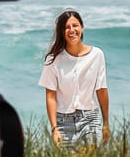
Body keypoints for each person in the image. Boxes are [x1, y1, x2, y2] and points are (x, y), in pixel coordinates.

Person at [37, 9, 110, 147]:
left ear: (82, 27)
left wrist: (106, 123)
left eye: (75, 25)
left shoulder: (97, 55)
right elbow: (50, 96)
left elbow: (101, 90)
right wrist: (54, 128)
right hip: (63, 122)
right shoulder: (53, 60)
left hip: (90, 118)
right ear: (62, 32)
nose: (72, 30)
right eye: (67, 27)